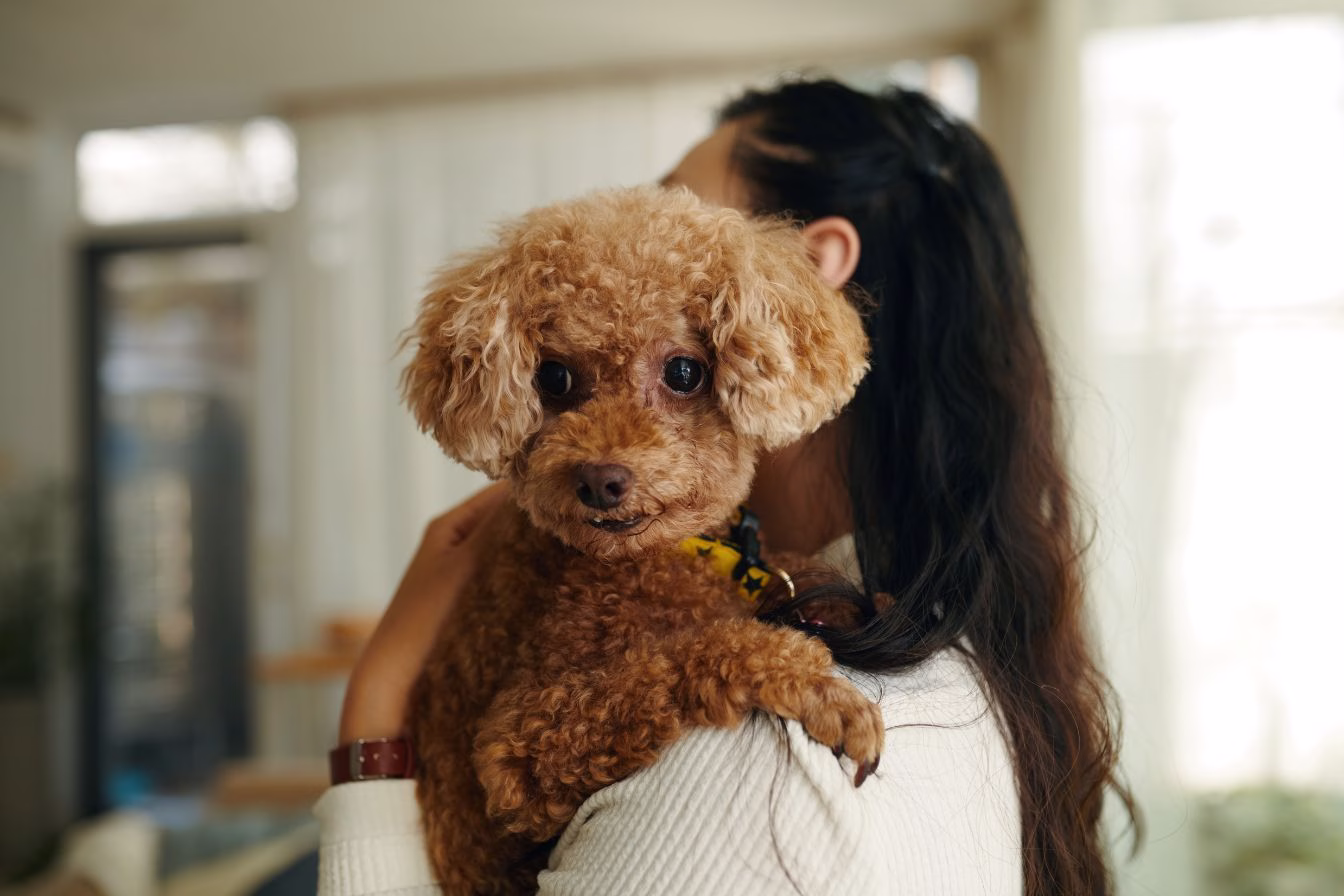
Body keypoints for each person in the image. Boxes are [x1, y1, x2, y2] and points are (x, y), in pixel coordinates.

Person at [316, 78, 1139, 896]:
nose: (604, 457)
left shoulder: (761, 767)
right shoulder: (943, 658)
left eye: (679, 372)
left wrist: (373, 719)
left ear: (815, 274)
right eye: (562, 383)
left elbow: (534, 765)